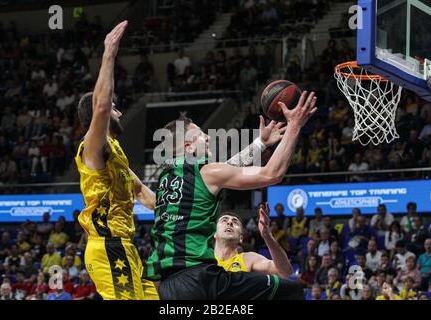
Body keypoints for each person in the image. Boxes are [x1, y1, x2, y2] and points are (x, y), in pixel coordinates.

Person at [145, 91, 318, 299]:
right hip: (199, 279)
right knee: (291, 291)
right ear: (188, 146)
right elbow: (272, 174)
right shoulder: (205, 172)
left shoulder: (165, 180)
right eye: (201, 134)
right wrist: (294, 126)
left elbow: (227, 169)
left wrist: (260, 144)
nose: (207, 137)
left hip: (167, 287)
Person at [75, 21, 158, 300]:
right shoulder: (92, 147)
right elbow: (100, 104)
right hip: (107, 246)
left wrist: (178, 212)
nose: (119, 111)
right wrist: (109, 53)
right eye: (114, 107)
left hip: (126, 247)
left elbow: (142, 194)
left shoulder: (117, 153)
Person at [214, 203, 292, 278]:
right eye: (224, 220)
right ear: (215, 234)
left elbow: (286, 272)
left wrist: (267, 236)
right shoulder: (204, 257)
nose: (230, 222)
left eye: (235, 222)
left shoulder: (248, 259)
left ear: (241, 238)